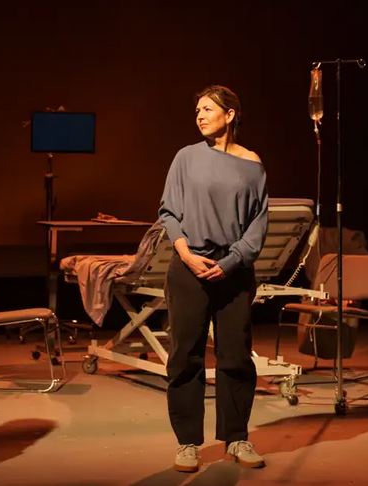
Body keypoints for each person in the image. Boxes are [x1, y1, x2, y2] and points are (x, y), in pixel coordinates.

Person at [158, 85, 268, 472]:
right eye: (197, 111)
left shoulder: (252, 164)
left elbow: (257, 224)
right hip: (189, 265)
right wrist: (187, 255)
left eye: (208, 109)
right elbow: (169, 212)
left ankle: (236, 437)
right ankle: (188, 442)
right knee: (185, 356)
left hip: (233, 271)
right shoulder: (186, 157)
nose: (200, 116)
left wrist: (233, 261)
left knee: (235, 355)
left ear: (230, 114)